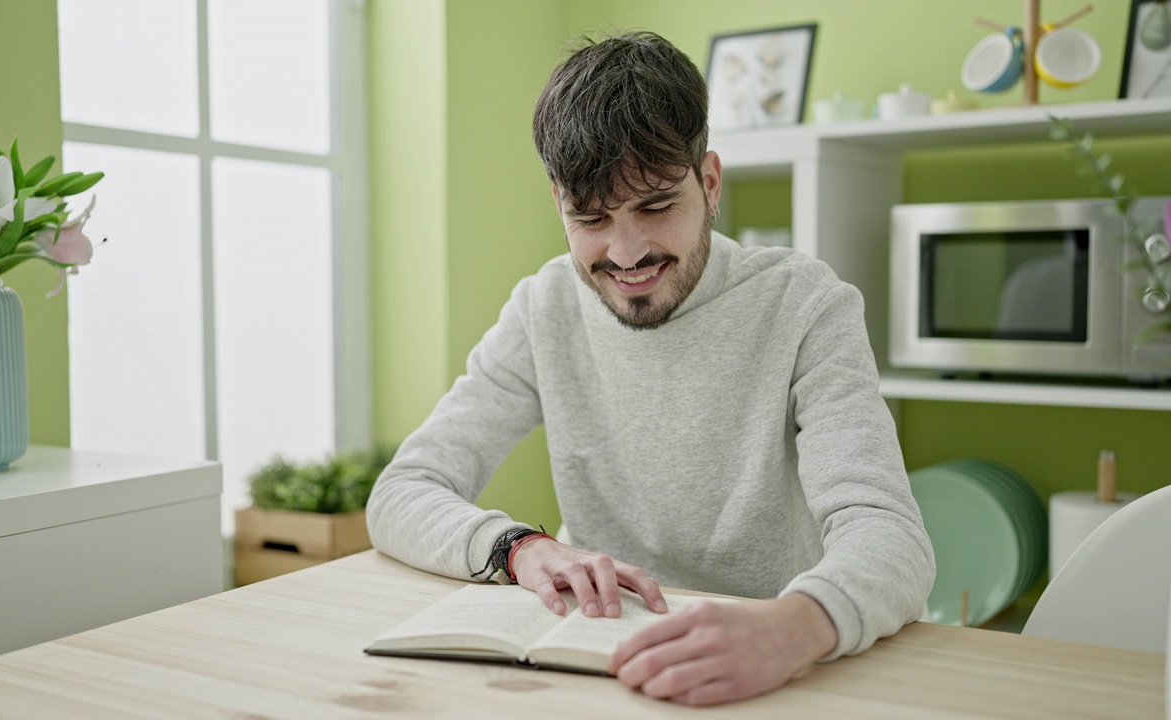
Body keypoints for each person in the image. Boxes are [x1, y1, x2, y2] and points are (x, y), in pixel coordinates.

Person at [366, 30, 935, 707]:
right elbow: (403, 490)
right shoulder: (544, 305)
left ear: (711, 182)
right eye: (591, 218)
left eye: (657, 206)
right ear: (559, 204)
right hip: (601, 659)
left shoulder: (806, 304)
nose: (626, 252)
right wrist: (517, 547)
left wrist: (792, 627)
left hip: (778, 666)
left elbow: (890, 534)